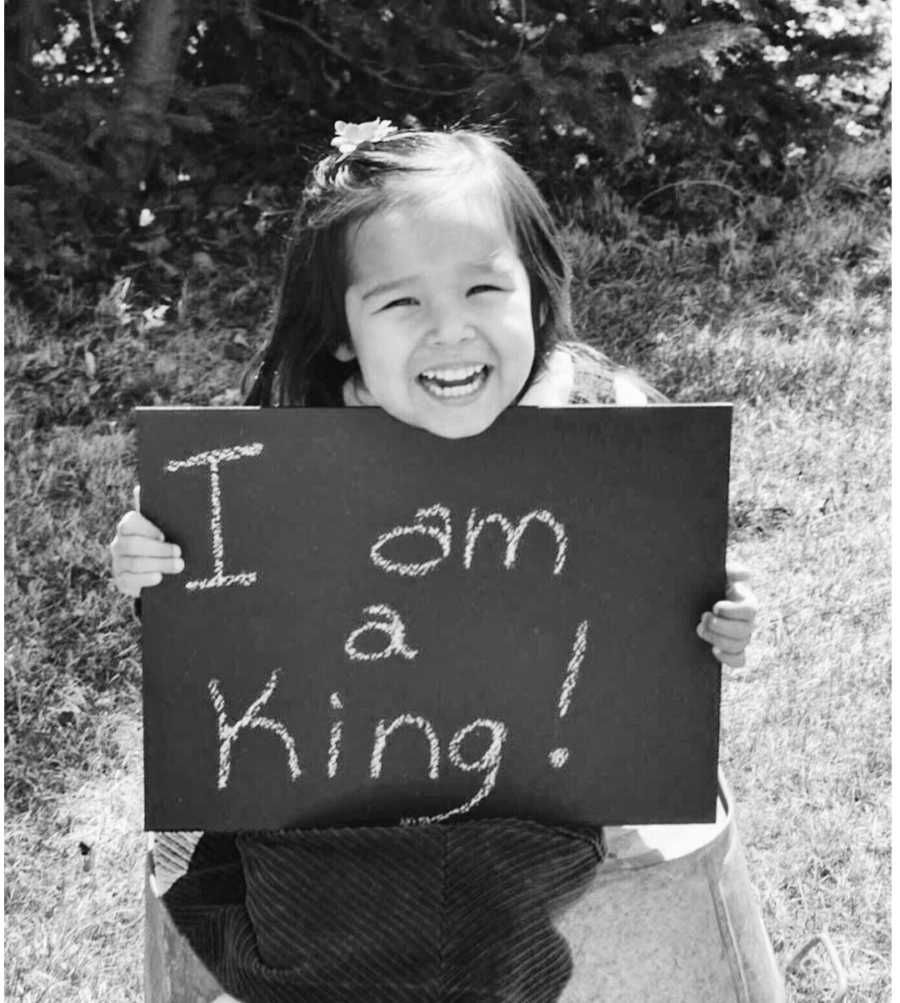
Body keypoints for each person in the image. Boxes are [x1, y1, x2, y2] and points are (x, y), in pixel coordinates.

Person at [111, 122, 757, 1002]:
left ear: (534, 295)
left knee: (473, 909)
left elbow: (668, 590)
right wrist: (152, 572)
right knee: (330, 909)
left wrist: (718, 617)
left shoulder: (603, 422)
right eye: (401, 303)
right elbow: (224, 629)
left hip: (540, 796)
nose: (450, 332)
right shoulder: (293, 443)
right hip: (336, 799)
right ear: (341, 332)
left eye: (483, 288)